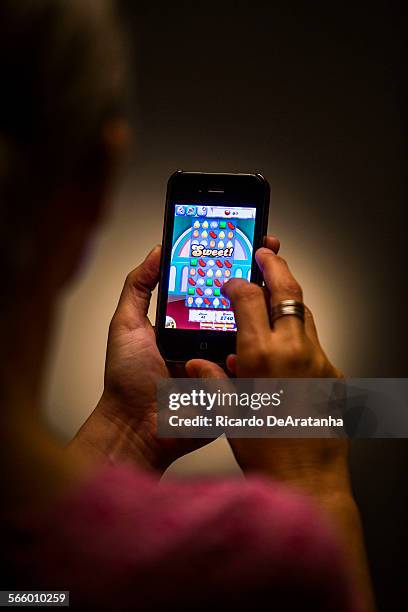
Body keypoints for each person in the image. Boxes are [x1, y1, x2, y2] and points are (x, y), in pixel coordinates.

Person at [0, 1, 375, 610]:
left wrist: (128, 424)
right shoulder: (245, 559)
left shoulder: (29, 585)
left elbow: (38, 594)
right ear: (94, 178)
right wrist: (316, 485)